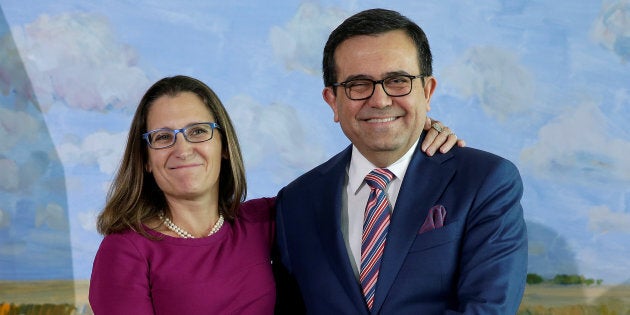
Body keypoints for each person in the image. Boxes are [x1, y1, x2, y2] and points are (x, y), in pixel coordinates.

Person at [88, 75, 460, 314]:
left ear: (224, 147)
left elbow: (346, 178)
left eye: (198, 131)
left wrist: (414, 134)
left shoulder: (265, 220)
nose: (182, 149)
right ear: (147, 160)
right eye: (163, 137)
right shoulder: (127, 250)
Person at [275, 8, 528, 314]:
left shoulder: (485, 181)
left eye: (397, 81)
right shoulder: (295, 202)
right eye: (358, 84)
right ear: (333, 101)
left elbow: (488, 308)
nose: (380, 100)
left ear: (427, 90)